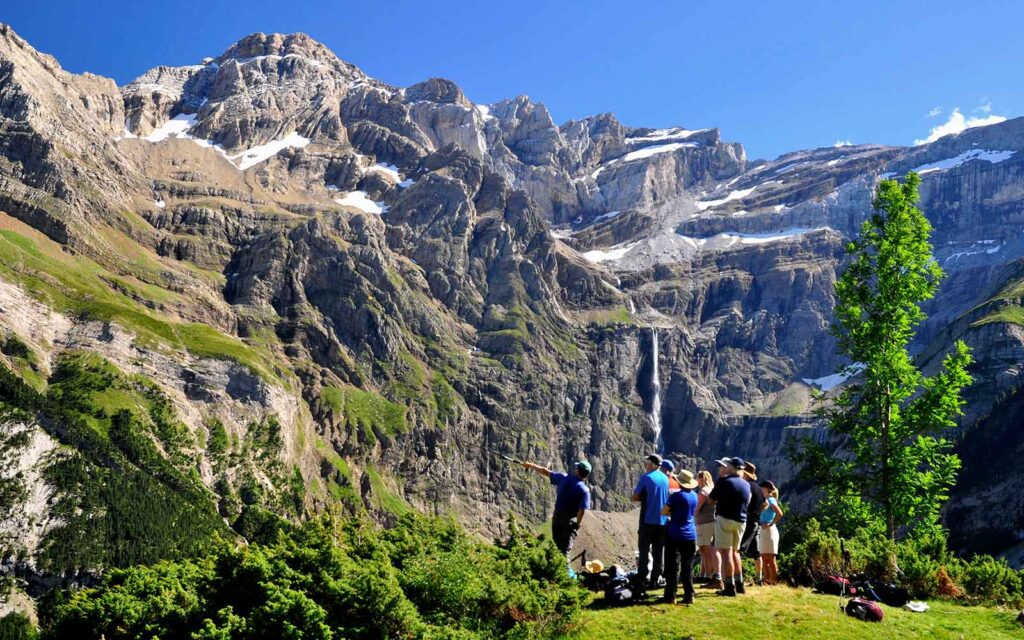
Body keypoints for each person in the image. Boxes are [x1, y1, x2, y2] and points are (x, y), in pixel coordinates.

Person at [521, 459, 592, 559]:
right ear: (586, 475)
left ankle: (552, 567)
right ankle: (561, 572)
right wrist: (577, 525)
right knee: (565, 550)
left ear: (577, 470)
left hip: (557, 518)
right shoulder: (584, 490)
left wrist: (531, 465)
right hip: (569, 521)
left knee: (556, 547)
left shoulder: (563, 478)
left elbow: (545, 471)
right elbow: (581, 511)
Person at [706, 457, 751, 597]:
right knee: (735, 552)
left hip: (725, 519)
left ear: (731, 467)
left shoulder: (723, 482)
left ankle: (729, 587)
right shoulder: (746, 485)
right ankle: (740, 585)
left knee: (726, 553)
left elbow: (710, 500)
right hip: (741, 521)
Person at [633, 453, 670, 593]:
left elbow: (635, 497)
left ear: (653, 464)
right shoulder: (666, 479)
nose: (646, 465)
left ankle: (642, 577)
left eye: (648, 463)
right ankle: (656, 577)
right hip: (662, 520)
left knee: (643, 549)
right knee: (658, 550)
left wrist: (642, 496)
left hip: (647, 520)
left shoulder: (646, 477)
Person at [661, 469, 699, 604]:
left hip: (675, 533)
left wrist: (672, 511)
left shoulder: (676, 496)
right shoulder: (695, 496)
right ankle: (689, 595)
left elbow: (664, 511)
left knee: (672, 565)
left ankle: (671, 595)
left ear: (680, 482)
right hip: (690, 534)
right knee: (687, 566)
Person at [739, 461, 766, 581]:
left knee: (738, 549)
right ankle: (759, 578)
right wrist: (758, 511)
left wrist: (744, 510)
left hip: (749, 520)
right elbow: (765, 503)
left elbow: (747, 500)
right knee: (756, 552)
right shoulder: (759, 488)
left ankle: (737, 578)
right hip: (757, 521)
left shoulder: (747, 486)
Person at [694, 470, 719, 587]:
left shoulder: (704, 491)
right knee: (708, 550)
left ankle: (708, 576)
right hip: (712, 522)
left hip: (704, 523)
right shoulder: (712, 490)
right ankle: (707, 574)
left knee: (705, 550)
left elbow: (696, 508)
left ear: (702, 479)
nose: (697, 481)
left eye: (698, 478)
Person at [758, 480, 784, 585]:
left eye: (762, 488)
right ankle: (767, 580)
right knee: (764, 557)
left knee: (770, 557)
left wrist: (771, 523)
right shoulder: (764, 499)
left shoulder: (771, 499)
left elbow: (779, 513)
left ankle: (773, 580)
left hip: (769, 530)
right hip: (763, 530)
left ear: (767, 489)